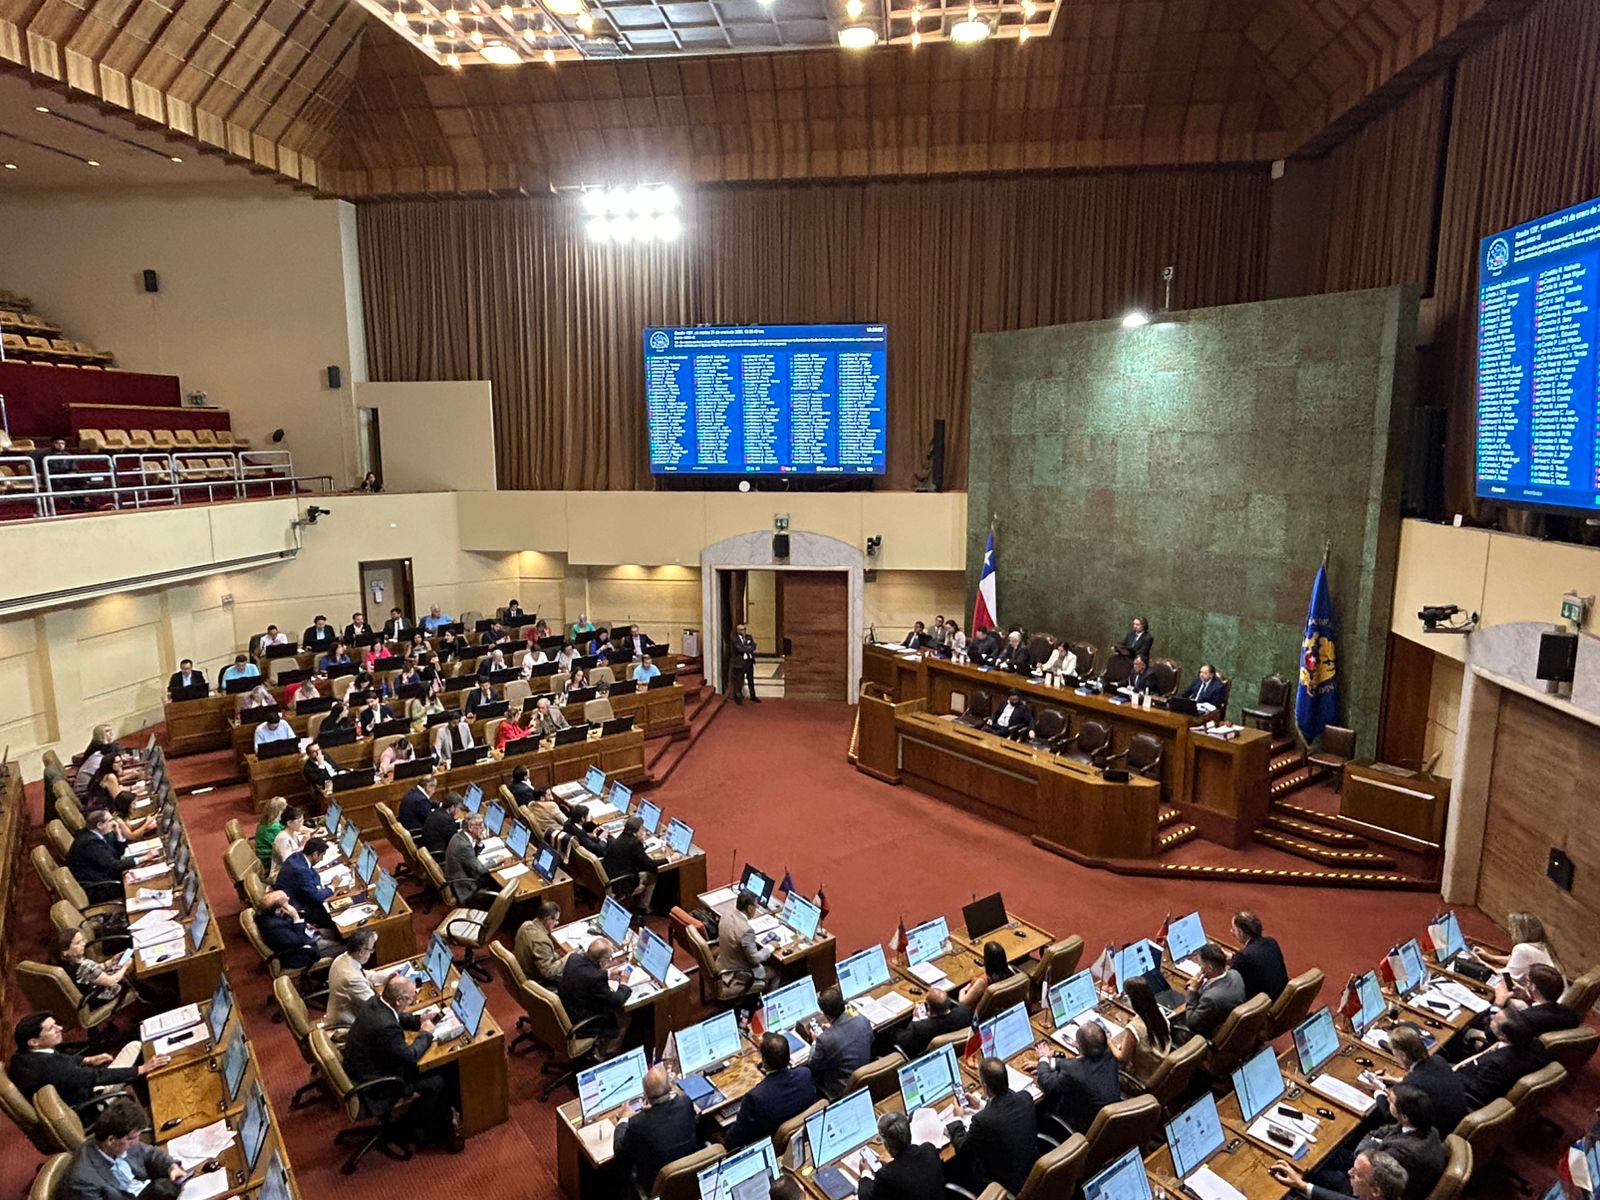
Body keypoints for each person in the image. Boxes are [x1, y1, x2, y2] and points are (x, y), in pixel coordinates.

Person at [344, 975, 456, 1147]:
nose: (412, 1002)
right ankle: (413, 1129)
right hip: (377, 1085)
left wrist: (419, 1020)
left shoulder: (375, 1002)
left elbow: (396, 1017)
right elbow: (410, 1056)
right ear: (399, 1000)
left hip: (359, 1068)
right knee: (437, 1080)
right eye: (410, 999)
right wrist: (426, 1033)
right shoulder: (386, 1028)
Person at [10, 1013, 166, 1108]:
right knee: (137, 1050)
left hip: (76, 1092)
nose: (60, 1028)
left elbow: (61, 1060)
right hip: (93, 1100)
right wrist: (141, 1069)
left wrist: (86, 1060)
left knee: (134, 1047)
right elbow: (97, 1077)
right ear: (34, 1042)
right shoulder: (49, 1067)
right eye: (51, 1028)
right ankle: (155, 1104)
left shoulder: (21, 1057)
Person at [949, 1057, 1039, 1196]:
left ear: (984, 1086)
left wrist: (956, 1119)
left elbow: (963, 1149)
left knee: (953, 1169)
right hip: (1031, 1170)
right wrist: (980, 1105)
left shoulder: (982, 1120)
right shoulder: (1025, 1098)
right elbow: (1003, 1114)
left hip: (1004, 1183)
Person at [62, 1097, 185, 1199]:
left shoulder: (121, 1141)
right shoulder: (82, 1181)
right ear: (111, 1140)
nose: (136, 1142)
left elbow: (151, 1153)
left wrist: (171, 1167)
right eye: (132, 1138)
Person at [614, 1064, 701, 1190]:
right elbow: (695, 1119)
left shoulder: (638, 1123)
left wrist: (624, 1119)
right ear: (670, 1087)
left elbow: (619, 1151)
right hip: (691, 1180)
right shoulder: (685, 1102)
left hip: (658, 1187)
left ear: (645, 1095)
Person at [1372, 1023, 1470, 1135]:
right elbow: (1429, 1081)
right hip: (1458, 1122)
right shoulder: (1438, 1060)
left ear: (1403, 1055)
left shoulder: (1411, 1085)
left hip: (1440, 1135)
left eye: (1394, 1052)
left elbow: (1392, 1116)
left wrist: (1378, 1091)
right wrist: (1398, 1080)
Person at [727, 1032, 816, 1149]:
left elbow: (736, 1137)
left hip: (767, 1145)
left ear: (763, 1060)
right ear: (788, 1056)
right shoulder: (805, 1075)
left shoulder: (756, 1098)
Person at [1035, 1021, 1120, 1133]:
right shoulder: (1109, 1054)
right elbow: (1075, 1064)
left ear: (1078, 1046)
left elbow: (1046, 1083)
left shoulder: (1073, 1071)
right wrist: (1050, 1062)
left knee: (1040, 1106)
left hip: (1081, 1127)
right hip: (1109, 1124)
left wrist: (1043, 1058)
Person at [1456, 1009, 1547, 1109]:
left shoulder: (1494, 1065)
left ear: (1503, 1036)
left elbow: (1469, 1091)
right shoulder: (1536, 1043)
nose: (1491, 1017)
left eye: (1494, 1020)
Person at [558, 939, 631, 1054]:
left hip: (566, 1010)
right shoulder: (596, 978)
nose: (610, 961)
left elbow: (585, 975)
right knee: (624, 1017)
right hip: (582, 1023)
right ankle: (603, 1056)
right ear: (602, 962)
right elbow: (616, 1000)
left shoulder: (574, 959)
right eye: (609, 959)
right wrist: (624, 984)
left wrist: (608, 974)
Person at [69, 809, 153, 904]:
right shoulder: (90, 843)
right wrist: (144, 858)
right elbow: (115, 865)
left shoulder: (94, 833)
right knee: (142, 884)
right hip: (100, 886)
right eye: (110, 820)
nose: (113, 823)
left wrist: (118, 833)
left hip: (103, 874)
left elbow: (116, 855)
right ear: (100, 825)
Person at [859, 1110, 946, 1198]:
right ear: (910, 1133)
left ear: (887, 1145)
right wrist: (894, 1164)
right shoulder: (929, 1150)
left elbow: (866, 1197)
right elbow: (912, 1170)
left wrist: (865, 1172)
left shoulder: (886, 1176)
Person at [1474, 911, 1562, 997]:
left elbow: (1505, 978)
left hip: (1541, 1000)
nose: (1509, 931)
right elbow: (1518, 961)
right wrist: (1490, 957)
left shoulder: (1522, 949)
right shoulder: (1543, 945)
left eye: (1512, 929)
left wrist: (1479, 962)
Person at [809, 985, 872, 1100]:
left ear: (825, 1013)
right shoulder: (862, 1020)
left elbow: (813, 1066)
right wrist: (833, 1028)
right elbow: (871, 1040)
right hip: (867, 1076)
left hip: (840, 1089)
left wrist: (814, 1042)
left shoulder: (824, 1040)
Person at [255, 890, 340, 969]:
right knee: (345, 948)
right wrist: (296, 917)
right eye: (286, 900)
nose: (289, 898)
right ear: (278, 909)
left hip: (306, 936)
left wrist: (304, 925)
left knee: (334, 933)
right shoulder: (274, 928)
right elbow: (300, 941)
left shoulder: (271, 914)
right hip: (301, 953)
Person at [1112, 975, 1173, 1085]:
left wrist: (1108, 1041)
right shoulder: (1159, 1012)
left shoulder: (1134, 1028)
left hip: (1141, 1080)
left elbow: (1123, 1058)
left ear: (1133, 1000)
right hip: (1159, 1070)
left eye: (1126, 995)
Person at [325, 930, 384, 1036]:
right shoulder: (351, 979)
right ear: (361, 952)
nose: (371, 953)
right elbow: (375, 1007)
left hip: (340, 1014)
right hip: (348, 1026)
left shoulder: (342, 959)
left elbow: (364, 975)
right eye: (371, 950)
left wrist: (388, 977)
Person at [603, 814, 667, 911]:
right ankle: (643, 906)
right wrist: (669, 859)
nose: (644, 831)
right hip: (623, 882)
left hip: (612, 875)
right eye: (642, 829)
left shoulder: (622, 836)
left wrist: (642, 843)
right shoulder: (635, 843)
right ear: (635, 832)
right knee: (652, 875)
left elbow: (634, 853)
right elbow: (649, 864)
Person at [1183, 943, 1246, 1039]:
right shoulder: (1235, 974)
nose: (1199, 966)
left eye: (1200, 964)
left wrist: (1192, 991)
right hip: (1227, 1020)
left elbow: (1191, 1023)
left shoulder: (1210, 998)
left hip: (1210, 1033)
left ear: (1209, 968)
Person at [717, 889, 775, 993]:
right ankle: (766, 1003)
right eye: (756, 906)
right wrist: (770, 947)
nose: (756, 909)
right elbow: (755, 959)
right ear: (749, 908)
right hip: (738, 974)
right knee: (776, 972)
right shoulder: (746, 930)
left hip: (723, 963)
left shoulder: (726, 915)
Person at [55, 928, 131, 1006]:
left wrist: (110, 962)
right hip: (98, 996)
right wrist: (125, 966)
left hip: (88, 989)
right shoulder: (85, 967)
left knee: (116, 968)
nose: (84, 944)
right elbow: (111, 981)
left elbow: (92, 972)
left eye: (82, 940)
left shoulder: (66, 963)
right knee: (129, 976)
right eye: (78, 943)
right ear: (65, 951)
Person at [276, 837, 336, 929]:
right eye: (322, 856)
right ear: (315, 854)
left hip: (294, 896)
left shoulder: (297, 856)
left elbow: (314, 874)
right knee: (330, 914)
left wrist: (316, 886)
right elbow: (316, 897)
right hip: (298, 907)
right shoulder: (301, 871)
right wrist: (332, 886)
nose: (322, 859)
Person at [896, 987, 973, 1058]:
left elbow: (902, 1041)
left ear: (929, 1007)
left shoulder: (921, 1028)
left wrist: (915, 1020)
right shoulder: (966, 1012)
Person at [1231, 911, 1290, 1002]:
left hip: (1262, 1007)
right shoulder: (1271, 942)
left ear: (1241, 933)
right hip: (1281, 998)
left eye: (1234, 929)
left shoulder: (1242, 957)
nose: (1231, 932)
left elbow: (1231, 985)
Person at [445, 812, 496, 906]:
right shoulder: (464, 845)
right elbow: (479, 870)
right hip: (463, 883)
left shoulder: (458, 836)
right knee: (494, 881)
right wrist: (496, 861)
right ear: (470, 828)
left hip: (461, 874)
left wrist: (479, 842)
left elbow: (470, 859)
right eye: (480, 825)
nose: (483, 828)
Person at [1514, 963, 1581, 1033]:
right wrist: (1527, 1000)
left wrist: (1502, 1002)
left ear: (1534, 987)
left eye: (1527, 981)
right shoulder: (1571, 1014)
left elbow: (1507, 1031)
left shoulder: (1526, 1018)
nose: (1526, 984)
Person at [514, 900, 569, 984]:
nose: (557, 923)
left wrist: (556, 956)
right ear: (548, 918)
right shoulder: (541, 940)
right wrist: (567, 958)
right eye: (556, 920)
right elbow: (547, 973)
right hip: (534, 981)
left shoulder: (526, 925)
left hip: (522, 969)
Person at [958, 941, 1014, 1011]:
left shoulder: (982, 982)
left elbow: (963, 1003)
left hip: (982, 1016)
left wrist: (962, 990)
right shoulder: (1011, 971)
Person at [269, 805, 311, 877]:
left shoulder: (293, 832)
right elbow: (288, 861)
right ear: (289, 823)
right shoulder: (283, 838)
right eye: (299, 821)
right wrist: (303, 845)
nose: (302, 824)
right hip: (280, 875)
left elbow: (295, 850)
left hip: (292, 869)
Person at [420, 793, 463, 862]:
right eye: (458, 808)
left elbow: (444, 829)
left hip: (427, 849)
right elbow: (455, 843)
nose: (459, 811)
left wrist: (461, 825)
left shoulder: (437, 812)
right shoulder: (448, 820)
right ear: (452, 807)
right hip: (438, 856)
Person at [254, 796, 288, 871]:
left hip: (266, 856)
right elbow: (282, 847)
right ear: (280, 811)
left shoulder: (267, 820)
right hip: (269, 861)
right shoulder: (273, 827)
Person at [730, 623, 759, 704]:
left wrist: (747, 648)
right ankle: (738, 698)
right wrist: (748, 648)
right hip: (740, 662)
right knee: (739, 680)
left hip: (749, 662)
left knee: (751, 680)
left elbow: (754, 646)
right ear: (738, 631)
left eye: (744, 629)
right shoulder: (734, 639)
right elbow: (740, 649)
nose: (744, 631)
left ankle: (753, 696)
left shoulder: (748, 637)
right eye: (742, 630)